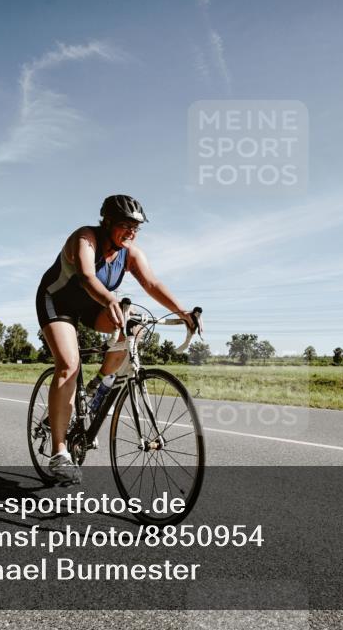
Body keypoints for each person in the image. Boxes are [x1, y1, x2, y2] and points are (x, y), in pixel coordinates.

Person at [35, 195, 199, 484]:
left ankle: (100, 383)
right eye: (125, 225)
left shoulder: (131, 253)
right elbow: (87, 276)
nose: (131, 233)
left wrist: (181, 311)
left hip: (91, 306)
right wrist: (110, 297)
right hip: (57, 303)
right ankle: (59, 452)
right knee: (69, 365)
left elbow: (151, 283)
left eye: (136, 228)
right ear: (107, 222)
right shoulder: (85, 238)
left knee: (133, 325)